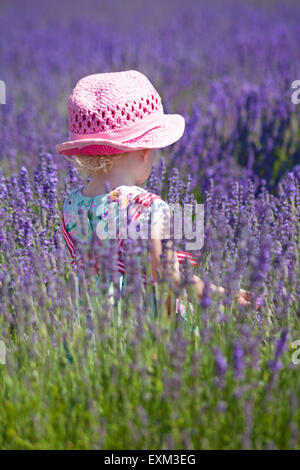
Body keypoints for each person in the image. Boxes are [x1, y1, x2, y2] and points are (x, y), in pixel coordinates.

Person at [56, 70, 259, 321]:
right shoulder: (148, 208)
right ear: (144, 150)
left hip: (89, 328)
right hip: (138, 330)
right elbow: (167, 276)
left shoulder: (72, 203)